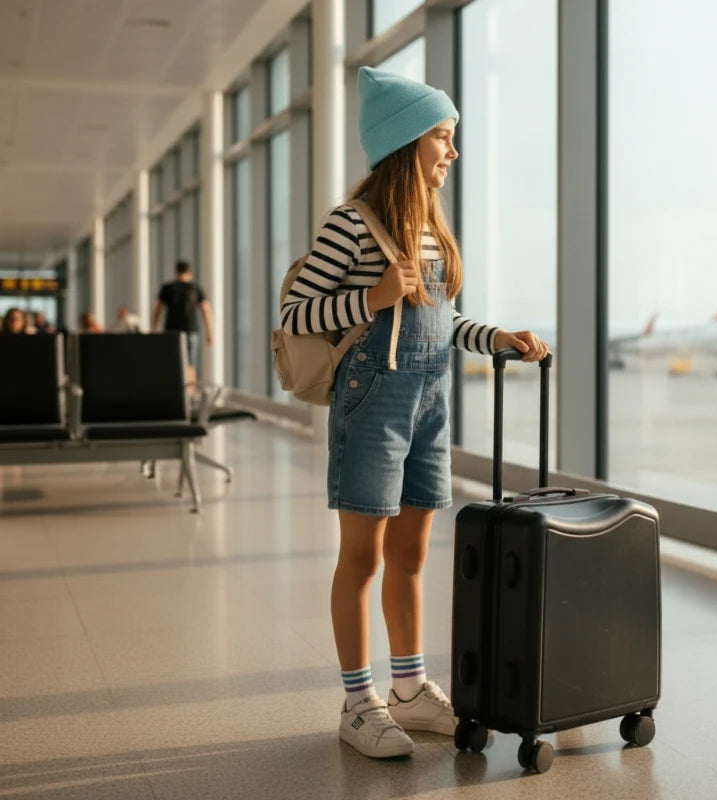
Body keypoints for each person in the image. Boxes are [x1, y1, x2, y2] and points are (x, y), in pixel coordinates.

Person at [280, 67, 549, 760]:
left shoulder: (428, 227)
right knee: (362, 560)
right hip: (370, 406)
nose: (452, 152)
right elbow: (293, 314)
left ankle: (408, 689)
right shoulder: (350, 225)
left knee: (409, 554)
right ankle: (357, 702)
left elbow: (440, 318)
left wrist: (496, 339)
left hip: (429, 405)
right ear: (407, 141)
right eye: (443, 137)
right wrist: (367, 299)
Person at [152, 260, 213, 387]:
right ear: (189, 272)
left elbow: (158, 309)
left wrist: (154, 327)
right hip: (191, 330)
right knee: (190, 364)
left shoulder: (168, 288)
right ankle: (189, 395)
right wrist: (210, 331)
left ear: (176, 272)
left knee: (172, 363)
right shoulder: (195, 288)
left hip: (171, 331)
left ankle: (173, 390)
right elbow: (206, 310)